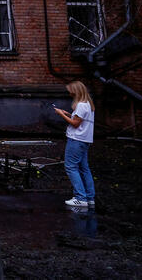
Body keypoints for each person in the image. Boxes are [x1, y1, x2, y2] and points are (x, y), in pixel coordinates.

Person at [54, 81, 96, 209]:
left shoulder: (81, 105)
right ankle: (89, 198)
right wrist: (68, 114)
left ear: (76, 91)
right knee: (84, 168)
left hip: (76, 140)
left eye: (70, 91)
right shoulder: (88, 104)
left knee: (71, 167)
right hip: (84, 140)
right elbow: (80, 120)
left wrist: (61, 115)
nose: (69, 93)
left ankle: (80, 198)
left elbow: (76, 124)